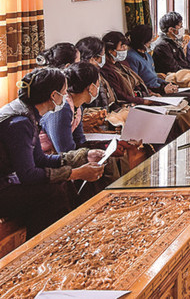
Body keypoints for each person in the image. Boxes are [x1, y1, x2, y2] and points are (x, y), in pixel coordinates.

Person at [0, 68, 105, 237]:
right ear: (54, 95)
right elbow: (28, 175)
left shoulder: (29, 114)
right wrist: (76, 173)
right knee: (53, 193)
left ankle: (75, 234)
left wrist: (84, 156)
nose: (66, 96)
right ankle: (41, 246)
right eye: (64, 92)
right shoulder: (19, 123)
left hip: (6, 182)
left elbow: (40, 159)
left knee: (62, 185)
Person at [101, 31, 190, 142]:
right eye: (122, 46)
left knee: (185, 110)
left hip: (145, 97)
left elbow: (138, 83)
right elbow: (121, 96)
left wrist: (151, 93)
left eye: (125, 45)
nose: (125, 49)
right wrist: (145, 101)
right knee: (175, 118)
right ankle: (177, 144)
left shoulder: (122, 64)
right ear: (111, 51)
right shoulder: (107, 70)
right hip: (132, 105)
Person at [124, 24, 190, 120]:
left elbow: (154, 77)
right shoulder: (131, 58)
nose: (152, 41)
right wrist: (162, 89)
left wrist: (168, 84)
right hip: (155, 93)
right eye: (150, 40)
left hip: (162, 87)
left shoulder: (147, 55)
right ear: (143, 41)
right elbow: (138, 84)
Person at [40, 62, 100, 153]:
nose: (99, 87)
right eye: (98, 84)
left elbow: (80, 141)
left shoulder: (77, 107)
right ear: (91, 87)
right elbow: (65, 150)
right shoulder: (62, 108)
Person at [75, 36, 117, 109]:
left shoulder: (99, 73)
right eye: (103, 54)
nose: (104, 57)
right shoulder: (81, 79)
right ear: (93, 58)